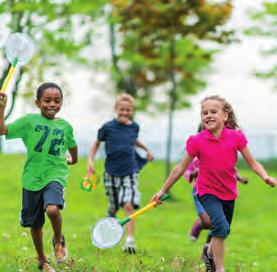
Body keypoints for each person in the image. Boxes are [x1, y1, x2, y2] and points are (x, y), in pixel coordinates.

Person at [152, 95, 276, 272]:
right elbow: (180, 168)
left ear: (225, 116)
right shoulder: (197, 141)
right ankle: (220, 268)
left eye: (213, 112)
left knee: (222, 231)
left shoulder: (236, 137)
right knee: (221, 227)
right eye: (204, 113)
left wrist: (265, 177)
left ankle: (208, 253)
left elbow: (253, 163)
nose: (208, 115)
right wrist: (162, 190)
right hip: (207, 192)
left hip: (229, 193)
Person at [0, 82, 78, 272]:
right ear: (37, 102)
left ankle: (58, 240)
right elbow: (2, 130)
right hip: (32, 179)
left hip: (55, 175)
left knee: (52, 210)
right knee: (35, 224)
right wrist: (2, 108)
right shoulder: (29, 122)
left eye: (57, 101)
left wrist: (73, 159)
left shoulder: (65, 126)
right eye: (47, 100)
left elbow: (72, 144)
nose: (52, 104)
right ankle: (43, 261)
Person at [87, 92, 153, 254]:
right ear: (116, 109)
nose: (124, 113)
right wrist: (90, 162)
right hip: (111, 173)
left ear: (132, 110)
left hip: (130, 171)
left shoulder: (134, 127)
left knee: (128, 204)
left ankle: (129, 241)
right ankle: (105, 235)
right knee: (113, 208)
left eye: (128, 110)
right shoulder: (107, 127)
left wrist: (146, 149)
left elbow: (132, 140)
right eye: (121, 109)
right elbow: (96, 144)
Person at [185, 157, 249, 242]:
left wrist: (239, 178)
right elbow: (186, 171)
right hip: (200, 191)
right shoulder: (195, 156)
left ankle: (207, 252)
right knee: (209, 222)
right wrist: (193, 174)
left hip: (218, 191)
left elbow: (229, 167)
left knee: (218, 222)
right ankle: (199, 224)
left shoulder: (219, 152)